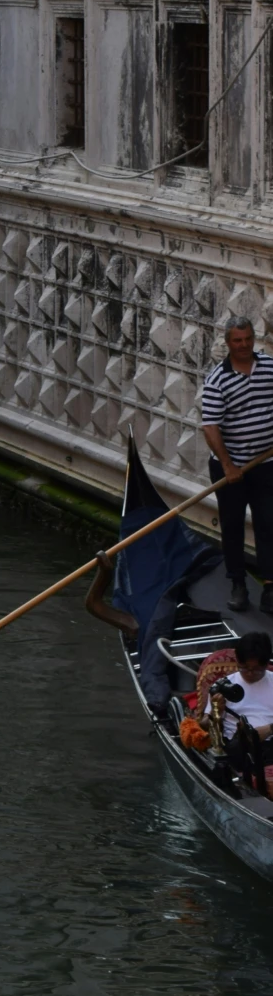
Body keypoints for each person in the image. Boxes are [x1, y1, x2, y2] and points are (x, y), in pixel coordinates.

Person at [203, 319, 273, 613]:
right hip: (229, 466)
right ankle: (238, 584)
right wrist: (229, 466)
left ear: (253, 339)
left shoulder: (270, 367)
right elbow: (211, 427)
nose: (244, 345)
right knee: (232, 526)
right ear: (228, 343)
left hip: (266, 462)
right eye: (237, 341)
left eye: (248, 339)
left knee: (269, 523)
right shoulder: (217, 379)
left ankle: (270, 587)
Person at [215, 633, 273, 796]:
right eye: (244, 667)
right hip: (239, 747)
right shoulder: (224, 685)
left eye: (256, 670)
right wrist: (216, 712)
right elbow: (205, 723)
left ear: (267, 664)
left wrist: (269, 729)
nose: (249, 673)